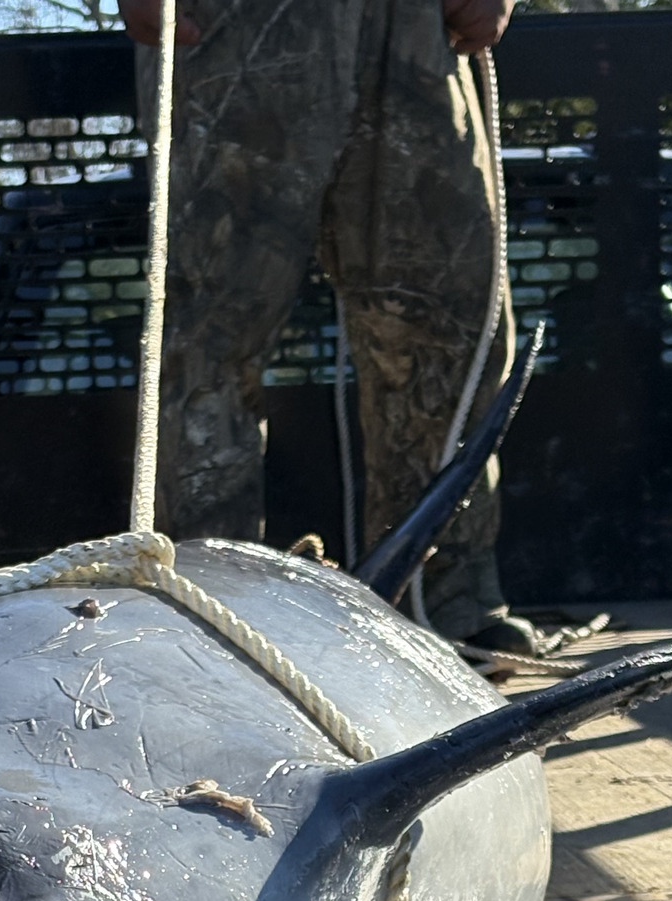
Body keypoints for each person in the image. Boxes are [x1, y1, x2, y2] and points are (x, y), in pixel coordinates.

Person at [117, 0, 540, 654]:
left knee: (444, 320)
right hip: (230, 20)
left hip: (416, 21)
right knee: (207, 330)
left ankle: (439, 610)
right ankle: (203, 623)